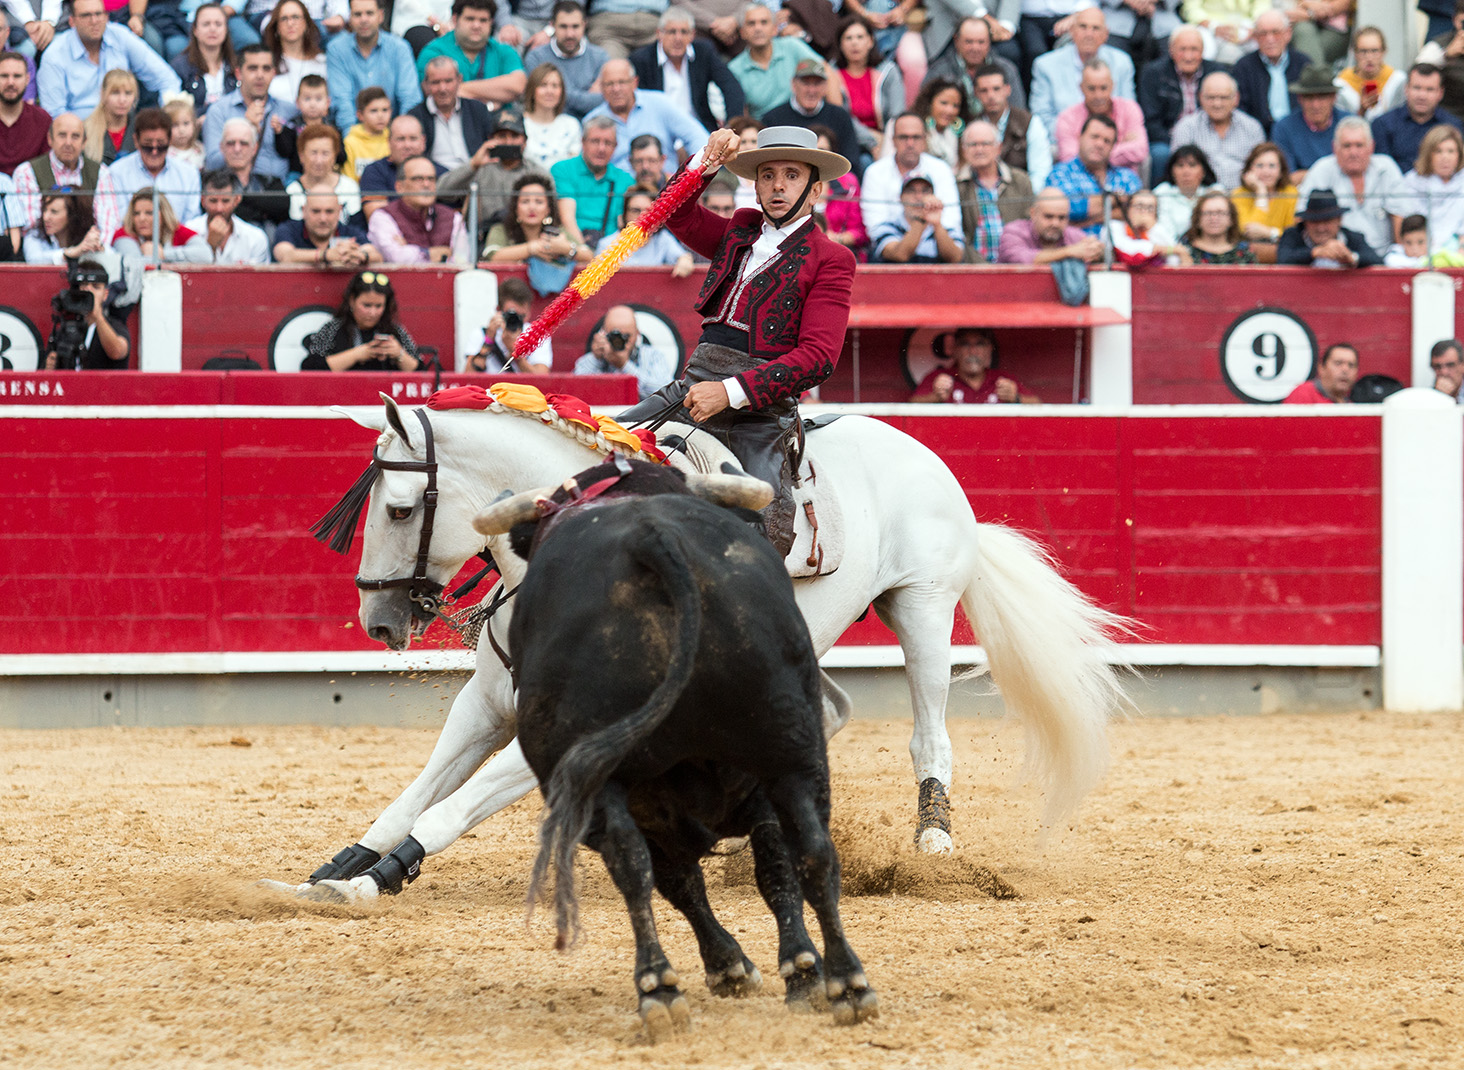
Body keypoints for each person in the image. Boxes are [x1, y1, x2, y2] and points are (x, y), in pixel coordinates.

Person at [615, 125, 856, 555]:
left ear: (816, 189)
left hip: (760, 413)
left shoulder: (832, 259)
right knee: (606, 449)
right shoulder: (741, 231)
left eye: (792, 175)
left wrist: (730, 392)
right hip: (690, 387)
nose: (778, 185)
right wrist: (704, 162)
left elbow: (818, 358)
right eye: (767, 175)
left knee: (758, 527)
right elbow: (676, 213)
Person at [35, 0, 181, 118]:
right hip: (80, 136)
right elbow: (54, 114)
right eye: (86, 15)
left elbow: (167, 79)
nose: (94, 21)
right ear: (72, 21)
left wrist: (169, 115)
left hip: (124, 130)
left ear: (107, 16)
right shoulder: (55, 54)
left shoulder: (120, 36)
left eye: (99, 14)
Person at [1296, 116, 1407, 259]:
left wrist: (1401, 259)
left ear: (1371, 147)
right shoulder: (1321, 169)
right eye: (1347, 146)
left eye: (1359, 145)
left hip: (1383, 259)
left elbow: (1400, 217)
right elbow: (1302, 220)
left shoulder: (1386, 168)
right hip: (1335, 259)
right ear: (1334, 148)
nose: (1353, 153)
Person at [628, 6, 745, 134]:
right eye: (672, 32)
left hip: (698, 127)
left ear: (692, 35)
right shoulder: (642, 60)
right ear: (659, 34)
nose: (678, 38)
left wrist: (731, 128)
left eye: (684, 32)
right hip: (658, 131)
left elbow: (731, 87)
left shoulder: (703, 52)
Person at [584, 59, 709, 175]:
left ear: (634, 82)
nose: (616, 89)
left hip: (665, 188)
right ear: (601, 87)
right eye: (609, 84)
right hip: (617, 192)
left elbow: (698, 137)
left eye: (622, 82)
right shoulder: (592, 121)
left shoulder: (659, 103)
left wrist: (692, 174)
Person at [1029, 6, 1135, 137]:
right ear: (1072, 31)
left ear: (1106, 34)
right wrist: (1079, 137)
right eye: (1083, 27)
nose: (1089, 34)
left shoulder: (1121, 63)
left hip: (1111, 141)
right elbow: (1041, 117)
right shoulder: (1045, 65)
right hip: (1061, 141)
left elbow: (1128, 112)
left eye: (1095, 28)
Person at [442, 109, 550, 235]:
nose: (508, 142)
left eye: (514, 136)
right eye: (502, 136)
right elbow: (441, 191)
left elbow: (552, 212)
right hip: (485, 237)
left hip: (528, 236)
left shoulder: (538, 173)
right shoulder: (480, 168)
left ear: (525, 141)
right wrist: (473, 165)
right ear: (491, 139)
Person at [11, 113, 121, 237]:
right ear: (50, 139)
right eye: (62, 135)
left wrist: (94, 246)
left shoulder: (101, 172)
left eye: (75, 136)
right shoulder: (27, 172)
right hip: (46, 251)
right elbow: (31, 226)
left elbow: (109, 223)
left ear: (84, 142)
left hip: (91, 249)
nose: (68, 143)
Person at [202, 43, 299, 179]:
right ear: (238, 73)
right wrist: (246, 127)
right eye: (253, 68)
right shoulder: (219, 110)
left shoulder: (289, 110)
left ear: (273, 73)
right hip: (236, 192)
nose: (260, 75)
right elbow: (212, 164)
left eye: (266, 69)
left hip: (279, 193)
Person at [1138, 26, 1222, 182]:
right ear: (1171, 51)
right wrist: (1178, 144)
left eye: (1194, 49)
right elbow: (1151, 120)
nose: (1188, 56)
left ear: (1203, 51)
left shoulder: (1217, 72)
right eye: (1182, 49)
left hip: (1208, 138)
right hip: (1168, 139)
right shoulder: (1153, 73)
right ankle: (1161, 198)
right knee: (1159, 154)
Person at [860, 111, 961, 238]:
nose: (910, 144)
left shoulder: (941, 169)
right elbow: (875, 228)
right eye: (903, 137)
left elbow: (952, 224)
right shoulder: (875, 172)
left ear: (925, 139)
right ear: (893, 140)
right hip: (888, 250)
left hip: (936, 247)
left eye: (916, 137)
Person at [326, 0, 422, 130]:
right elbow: (342, 102)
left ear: (380, 16)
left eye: (369, 13)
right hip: (353, 134)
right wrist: (353, 142)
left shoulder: (399, 48)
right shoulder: (337, 49)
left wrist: (401, 135)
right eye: (358, 14)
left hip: (393, 131)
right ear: (350, 17)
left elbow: (409, 98)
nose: (363, 19)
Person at [303, 269, 421, 371]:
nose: (372, 312)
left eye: (378, 306)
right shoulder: (333, 328)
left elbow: (424, 374)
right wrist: (357, 354)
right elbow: (309, 368)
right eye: (367, 305)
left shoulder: (396, 331)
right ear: (352, 300)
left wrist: (399, 354)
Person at [763, 59, 865, 175]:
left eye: (817, 84)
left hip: (832, 184)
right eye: (806, 83)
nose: (811, 90)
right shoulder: (774, 118)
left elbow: (850, 161)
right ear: (793, 84)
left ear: (825, 86)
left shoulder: (840, 116)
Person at [728, 3, 829, 119]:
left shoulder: (792, 46)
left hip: (802, 124)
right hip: (763, 131)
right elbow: (741, 117)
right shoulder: (734, 69)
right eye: (751, 23)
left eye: (764, 22)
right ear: (742, 32)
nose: (758, 28)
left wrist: (835, 117)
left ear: (775, 29)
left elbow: (827, 72)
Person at [414, 0, 525, 105]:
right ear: (455, 19)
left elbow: (518, 86)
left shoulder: (503, 50)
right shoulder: (434, 51)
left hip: (500, 122)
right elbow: (435, 93)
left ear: (491, 22)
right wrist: (493, 100)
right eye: (470, 19)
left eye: (483, 20)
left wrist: (459, 89)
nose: (476, 25)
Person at [1169, 71, 1265, 191]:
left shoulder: (1252, 128)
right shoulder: (1186, 127)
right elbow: (1179, 170)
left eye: (1223, 97)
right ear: (1200, 97)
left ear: (1236, 98)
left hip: (1243, 195)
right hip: (1200, 197)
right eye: (1211, 97)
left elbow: (1261, 168)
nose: (1217, 104)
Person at [1048, 113, 1141, 235]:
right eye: (1094, 137)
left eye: (1107, 141)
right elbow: (1070, 209)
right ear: (1080, 137)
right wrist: (1116, 200)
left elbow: (1138, 214)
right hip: (1077, 249)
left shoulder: (1127, 177)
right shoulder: (1060, 173)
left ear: (1113, 146)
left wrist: (1083, 222)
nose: (1100, 144)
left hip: (1122, 251)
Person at [107, 108, 202, 223]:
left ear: (170, 141)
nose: (154, 152)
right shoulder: (117, 172)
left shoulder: (188, 173)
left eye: (161, 145)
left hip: (177, 239)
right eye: (147, 146)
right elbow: (118, 220)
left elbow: (191, 221)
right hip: (131, 239)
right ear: (136, 141)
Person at [368, 153, 469, 261]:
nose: (426, 184)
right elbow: (396, 258)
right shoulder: (383, 216)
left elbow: (462, 260)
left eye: (431, 179)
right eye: (418, 179)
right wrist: (429, 254)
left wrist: (409, 251)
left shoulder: (453, 217)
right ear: (399, 187)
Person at [550, 115, 634, 245]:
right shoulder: (563, 170)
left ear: (615, 147)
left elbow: (625, 225)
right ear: (583, 142)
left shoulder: (626, 180)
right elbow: (567, 219)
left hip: (610, 252)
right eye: (595, 141)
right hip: (569, 247)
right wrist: (584, 254)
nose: (601, 149)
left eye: (608, 143)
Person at [484, 173, 592, 271]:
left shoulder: (558, 231)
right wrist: (531, 249)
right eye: (525, 201)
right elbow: (492, 256)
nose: (532, 207)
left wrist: (566, 248)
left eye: (539, 202)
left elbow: (590, 256)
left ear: (548, 209)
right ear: (515, 208)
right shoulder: (500, 229)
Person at [830, 14, 903, 159]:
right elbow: (840, 117)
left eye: (860, 37)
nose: (854, 43)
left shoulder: (888, 71)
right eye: (848, 38)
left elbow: (897, 115)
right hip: (847, 141)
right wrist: (872, 140)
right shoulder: (832, 74)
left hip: (887, 141)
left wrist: (886, 143)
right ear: (840, 44)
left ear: (870, 41)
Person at [923, 16, 1025, 118]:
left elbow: (1018, 111)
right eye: (969, 42)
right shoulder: (939, 71)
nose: (975, 48)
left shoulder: (1006, 69)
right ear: (956, 40)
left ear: (989, 42)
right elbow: (924, 109)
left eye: (981, 42)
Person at [956, 119, 1029, 262]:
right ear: (964, 151)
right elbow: (959, 235)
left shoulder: (1019, 180)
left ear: (998, 148)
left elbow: (1029, 225)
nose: (979, 149)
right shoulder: (957, 185)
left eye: (985, 144)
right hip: (973, 270)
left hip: (1016, 266)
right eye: (973, 145)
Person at [1371, 64, 1464, 175]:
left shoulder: (1454, 126)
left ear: (1440, 93)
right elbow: (1382, 170)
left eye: (1429, 90)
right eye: (1417, 88)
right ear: (1406, 89)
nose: (1422, 96)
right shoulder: (1383, 124)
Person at [1054, 58, 1146, 171]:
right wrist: (1119, 147)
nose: (1098, 96)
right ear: (1081, 88)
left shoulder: (1129, 109)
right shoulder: (1067, 118)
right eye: (1091, 88)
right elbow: (1068, 157)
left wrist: (1090, 153)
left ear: (1112, 86)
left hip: (1124, 182)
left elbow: (1140, 150)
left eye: (1103, 88)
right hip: (1080, 182)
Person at [523, 1, 610, 119]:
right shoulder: (536, 58)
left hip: (590, 126)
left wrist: (558, 93)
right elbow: (536, 100)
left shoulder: (600, 57)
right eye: (563, 26)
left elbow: (605, 99)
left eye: (575, 26)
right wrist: (586, 97)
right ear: (552, 25)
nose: (570, 34)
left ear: (584, 25)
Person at [908, 327, 1039, 404]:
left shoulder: (1002, 378)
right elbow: (911, 405)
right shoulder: (939, 377)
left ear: (989, 349)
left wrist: (1016, 398)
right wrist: (935, 397)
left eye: (979, 344)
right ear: (954, 350)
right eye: (965, 344)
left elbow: (1038, 405)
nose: (972, 351)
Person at [972, 61, 1049, 188]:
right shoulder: (972, 125)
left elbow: (1040, 172)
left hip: (1022, 196)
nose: (991, 96)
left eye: (996, 89)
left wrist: (1027, 201)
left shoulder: (1029, 122)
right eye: (984, 90)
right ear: (976, 93)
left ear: (1007, 90)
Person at [574, 303, 677, 397]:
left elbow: (667, 394)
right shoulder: (591, 360)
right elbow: (576, 390)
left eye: (626, 336)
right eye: (615, 336)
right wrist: (596, 358)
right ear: (603, 334)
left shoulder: (653, 357)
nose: (620, 341)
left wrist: (624, 365)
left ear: (637, 334)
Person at [408, 57, 492, 172]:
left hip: (477, 175)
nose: (443, 89)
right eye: (436, 82)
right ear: (426, 85)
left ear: (459, 80)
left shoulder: (477, 109)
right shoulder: (414, 117)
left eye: (448, 81)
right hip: (435, 181)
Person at [1232, 9, 1308, 137]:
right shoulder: (1243, 67)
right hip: (1257, 135)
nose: (1270, 39)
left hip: (1298, 133)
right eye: (1263, 34)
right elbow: (1239, 110)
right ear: (1255, 37)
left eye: (1275, 32)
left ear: (1288, 34)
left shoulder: (1303, 64)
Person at [42, 259, 129, 370]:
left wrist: (98, 317)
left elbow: (117, 352)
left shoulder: (116, 326)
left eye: (95, 287)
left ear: (105, 294)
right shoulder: (65, 330)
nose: (89, 291)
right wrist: (49, 369)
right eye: (83, 285)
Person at [1270, 64, 1346, 183]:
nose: (1315, 105)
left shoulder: (1348, 123)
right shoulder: (1284, 127)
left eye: (1322, 97)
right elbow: (1287, 179)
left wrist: (1308, 174)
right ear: (1300, 99)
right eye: (1309, 98)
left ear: (1333, 98)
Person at [217, 116, 292, 235]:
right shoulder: (211, 182)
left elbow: (282, 206)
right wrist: (263, 210)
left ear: (254, 148)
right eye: (231, 143)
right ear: (222, 147)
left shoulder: (270, 181)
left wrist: (239, 201)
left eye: (244, 143)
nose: (237, 149)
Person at [869, 173, 964, 263]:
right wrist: (921, 219)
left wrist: (937, 225)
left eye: (925, 191)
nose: (919, 197)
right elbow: (900, 254)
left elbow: (955, 258)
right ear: (900, 197)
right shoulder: (886, 227)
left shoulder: (946, 229)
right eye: (911, 191)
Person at [1275, 189, 1383, 267]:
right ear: (1305, 222)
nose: (1321, 228)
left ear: (1339, 220)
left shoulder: (1353, 237)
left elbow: (1377, 261)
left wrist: (1351, 257)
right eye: (1315, 221)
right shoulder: (1293, 235)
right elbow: (1283, 259)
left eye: (1327, 221)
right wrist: (1315, 252)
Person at [360, 114, 442, 216]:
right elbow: (377, 216)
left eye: (413, 139)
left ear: (423, 141)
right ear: (388, 142)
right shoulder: (374, 172)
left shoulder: (441, 173)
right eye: (400, 139)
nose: (407, 145)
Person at [997, 185, 1104, 263]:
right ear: (1033, 213)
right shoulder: (1013, 231)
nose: (1055, 223)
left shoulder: (1075, 236)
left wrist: (1097, 250)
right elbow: (1022, 259)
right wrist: (1069, 252)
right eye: (1049, 216)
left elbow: (1099, 255)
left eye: (1062, 217)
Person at [468, 275, 551, 373]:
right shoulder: (481, 334)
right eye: (512, 315)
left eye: (522, 316)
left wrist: (516, 353)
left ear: (529, 311)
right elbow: (468, 376)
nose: (516, 320)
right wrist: (488, 341)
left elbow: (541, 379)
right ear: (499, 310)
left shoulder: (537, 335)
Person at [1402, 125, 1464, 254]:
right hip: (1417, 252)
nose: (1445, 157)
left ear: (1459, 154)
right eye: (1438, 151)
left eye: (1451, 151)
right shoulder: (1412, 182)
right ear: (1428, 154)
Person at [273, 188, 382, 261]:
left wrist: (361, 256)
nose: (323, 218)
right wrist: (326, 255)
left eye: (329, 211)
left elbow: (377, 257)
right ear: (303, 211)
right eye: (316, 211)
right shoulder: (288, 229)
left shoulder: (351, 232)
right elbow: (285, 255)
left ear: (339, 211)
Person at [111, 186, 213, 263]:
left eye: (149, 213)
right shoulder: (124, 234)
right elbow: (137, 265)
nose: (141, 219)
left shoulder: (177, 231)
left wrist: (163, 254)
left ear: (164, 214)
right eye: (136, 213)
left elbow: (206, 255)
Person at [190, 168, 271, 262]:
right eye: (213, 201)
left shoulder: (255, 238)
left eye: (225, 201)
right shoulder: (188, 231)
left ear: (237, 200)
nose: (219, 208)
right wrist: (210, 246)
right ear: (203, 200)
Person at [1231, 141, 1296, 257]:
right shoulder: (1239, 195)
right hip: (1246, 256)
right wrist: (1261, 191)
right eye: (1259, 166)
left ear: (1281, 171)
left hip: (1283, 255)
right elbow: (1249, 232)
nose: (1266, 172)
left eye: (1272, 166)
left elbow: (1293, 236)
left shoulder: (1290, 193)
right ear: (1249, 170)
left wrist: (1269, 232)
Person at [172, 3, 239, 113]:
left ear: (226, 29)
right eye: (206, 24)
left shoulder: (237, 65)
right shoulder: (180, 67)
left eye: (218, 24)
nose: (213, 29)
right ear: (195, 30)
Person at [812, 125, 867, 258]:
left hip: (838, 252)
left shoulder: (848, 184)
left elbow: (859, 232)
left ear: (832, 154)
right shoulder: (794, 183)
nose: (818, 155)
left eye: (822, 150)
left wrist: (836, 239)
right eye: (812, 151)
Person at [286, 123, 362, 218]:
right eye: (313, 153)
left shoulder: (349, 188)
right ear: (301, 156)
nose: (319, 161)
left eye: (325, 153)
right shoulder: (292, 191)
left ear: (334, 156)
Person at [264, 0, 328, 104]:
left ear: (306, 23)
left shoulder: (322, 62)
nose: (290, 23)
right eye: (284, 19)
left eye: (296, 17)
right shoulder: (267, 64)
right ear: (277, 27)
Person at [1153, 142, 1221, 238]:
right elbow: (1162, 232)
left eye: (1192, 165)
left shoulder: (1215, 191)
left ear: (1204, 171)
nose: (1186, 172)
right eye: (1180, 165)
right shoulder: (1162, 193)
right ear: (1172, 171)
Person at [1335, 26, 1405, 120]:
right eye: (1363, 51)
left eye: (1374, 51)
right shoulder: (1341, 85)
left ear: (1384, 52)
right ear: (1355, 53)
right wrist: (1361, 111)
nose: (1369, 57)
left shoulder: (1397, 80)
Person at [523, 62, 582, 169]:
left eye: (555, 86)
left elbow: (574, 168)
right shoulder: (519, 123)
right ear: (532, 89)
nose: (549, 91)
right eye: (543, 85)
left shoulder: (571, 125)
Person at [0, 51, 50, 177]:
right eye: (4, 76)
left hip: (31, 192)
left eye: (17, 76)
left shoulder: (42, 120)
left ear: (27, 79)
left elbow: (47, 171)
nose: (10, 82)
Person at [22, 189, 103, 264]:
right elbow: (33, 259)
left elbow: (111, 254)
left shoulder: (85, 233)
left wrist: (98, 248)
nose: (45, 217)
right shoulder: (34, 234)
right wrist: (70, 253)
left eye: (54, 212)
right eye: (44, 210)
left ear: (72, 215)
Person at [1108, 189, 1182, 268]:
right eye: (1139, 206)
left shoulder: (1157, 230)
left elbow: (1174, 260)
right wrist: (1159, 249)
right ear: (1128, 209)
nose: (1144, 212)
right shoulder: (1114, 227)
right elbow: (1127, 250)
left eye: (1150, 208)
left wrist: (1152, 227)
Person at [80, 68, 137, 166]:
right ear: (103, 94)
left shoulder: (140, 127)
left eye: (128, 93)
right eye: (115, 93)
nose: (122, 100)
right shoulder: (85, 129)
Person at [1181, 191, 1255, 264]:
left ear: (1231, 219)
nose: (1214, 218)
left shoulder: (1244, 251)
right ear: (1198, 219)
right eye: (1208, 213)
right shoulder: (1185, 250)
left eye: (1220, 212)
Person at [342, 85, 392, 178]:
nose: (380, 115)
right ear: (360, 115)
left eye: (385, 110)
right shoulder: (350, 143)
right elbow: (348, 178)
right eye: (374, 111)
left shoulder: (393, 140)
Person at [1283, 342, 1358, 403]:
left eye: (1351, 365)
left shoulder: (1356, 406)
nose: (1345, 370)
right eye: (1338, 363)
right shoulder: (1303, 395)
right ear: (1321, 368)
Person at [166, 99, 206, 171]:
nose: (181, 130)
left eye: (186, 123)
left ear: (194, 124)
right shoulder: (165, 153)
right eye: (175, 125)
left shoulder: (201, 149)